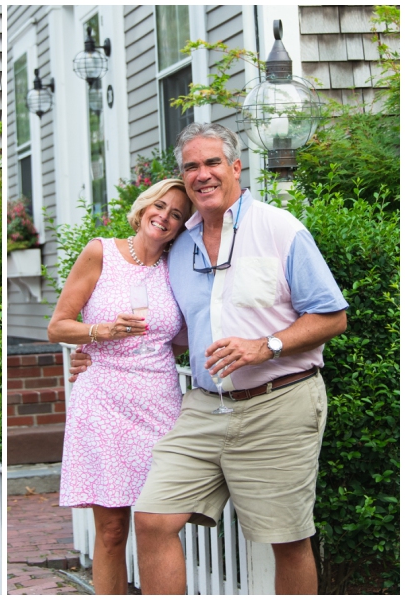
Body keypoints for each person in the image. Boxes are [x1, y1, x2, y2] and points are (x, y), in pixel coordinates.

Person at [71, 122, 348, 594]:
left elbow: (332, 315)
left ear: (236, 167)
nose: (202, 174)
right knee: (154, 518)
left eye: (212, 162)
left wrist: (266, 345)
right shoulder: (181, 246)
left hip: (278, 401)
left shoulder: (279, 229)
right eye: (191, 166)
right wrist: (97, 350)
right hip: (203, 406)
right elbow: (174, 333)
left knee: (287, 539)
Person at [47, 180, 193, 595]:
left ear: (182, 227)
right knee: (112, 529)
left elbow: (181, 336)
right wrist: (99, 332)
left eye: (177, 214)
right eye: (160, 206)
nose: (164, 217)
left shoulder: (177, 267)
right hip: (103, 400)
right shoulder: (101, 252)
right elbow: (58, 324)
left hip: (160, 403)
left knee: (159, 521)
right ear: (145, 207)